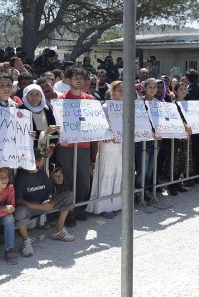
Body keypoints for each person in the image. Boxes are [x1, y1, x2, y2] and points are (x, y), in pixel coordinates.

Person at [54, 66, 94, 225]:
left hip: (84, 144)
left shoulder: (90, 100)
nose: (79, 80)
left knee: (84, 180)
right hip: (66, 147)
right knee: (68, 179)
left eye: (82, 77)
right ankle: (67, 212)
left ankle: (79, 208)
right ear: (68, 80)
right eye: (75, 77)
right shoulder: (61, 100)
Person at [14, 154, 75, 257]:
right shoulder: (21, 177)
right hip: (31, 207)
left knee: (69, 196)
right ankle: (26, 241)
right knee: (19, 212)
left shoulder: (41, 173)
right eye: (35, 160)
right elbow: (19, 200)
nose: (38, 162)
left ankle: (58, 230)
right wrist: (40, 207)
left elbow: (50, 190)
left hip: (45, 204)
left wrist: (49, 199)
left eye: (39, 160)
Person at [86, 81, 123, 218]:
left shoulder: (130, 107)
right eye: (119, 89)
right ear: (112, 91)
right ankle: (104, 206)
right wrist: (106, 135)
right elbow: (100, 125)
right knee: (107, 174)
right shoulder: (105, 107)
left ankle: (117, 203)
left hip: (123, 146)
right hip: (108, 146)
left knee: (119, 173)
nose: (122, 92)